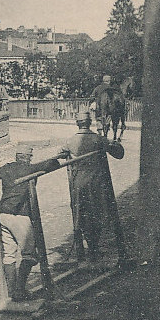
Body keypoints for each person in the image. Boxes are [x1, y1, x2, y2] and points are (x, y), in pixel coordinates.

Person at [55, 111, 128, 265]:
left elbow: (59, 155)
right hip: (98, 184)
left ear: (77, 123)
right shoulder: (98, 139)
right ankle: (94, 248)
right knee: (98, 213)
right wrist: (114, 144)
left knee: (83, 213)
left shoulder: (70, 141)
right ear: (90, 123)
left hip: (79, 184)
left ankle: (88, 247)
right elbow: (119, 153)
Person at [0, 145, 60, 301]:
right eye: (30, 157)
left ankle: (10, 290)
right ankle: (19, 290)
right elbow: (53, 164)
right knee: (30, 255)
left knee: (9, 255)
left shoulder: (6, 168)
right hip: (20, 216)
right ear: (27, 157)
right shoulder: (30, 169)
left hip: (3, 215)